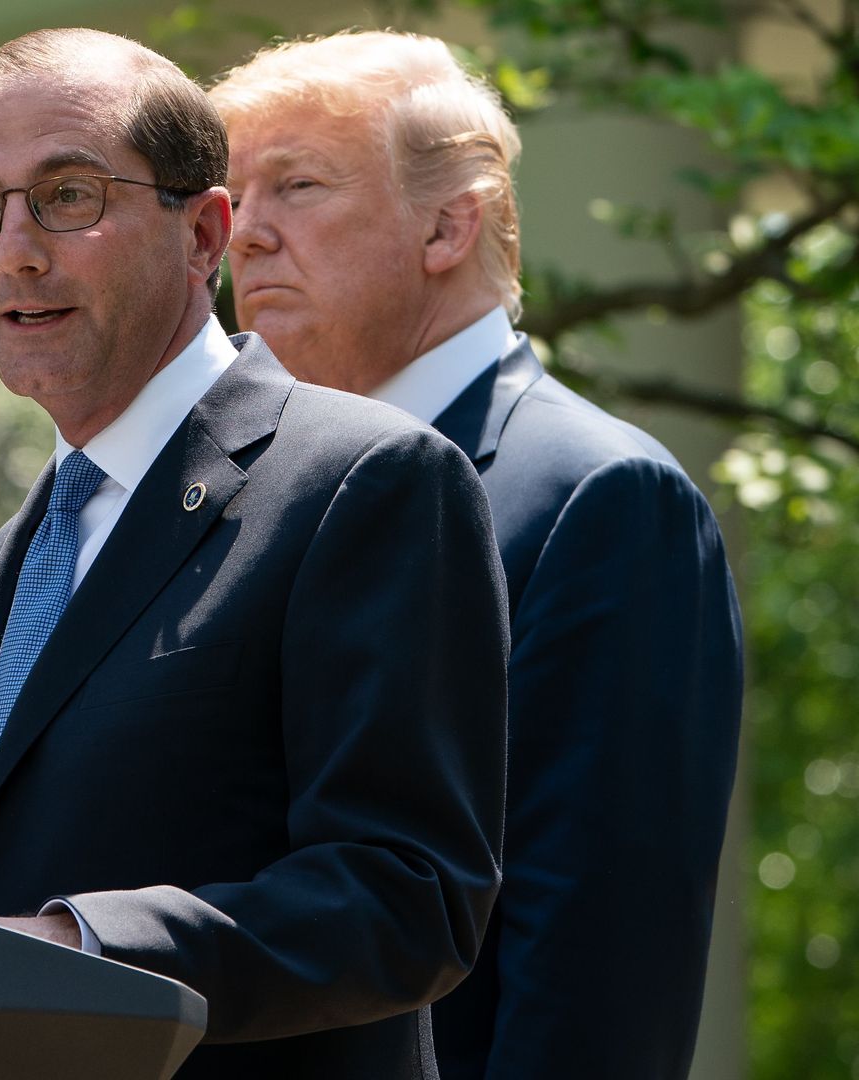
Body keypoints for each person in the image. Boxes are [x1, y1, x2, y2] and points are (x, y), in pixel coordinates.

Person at [0, 28, 510, 1077]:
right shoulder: (4, 565)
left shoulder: (363, 483)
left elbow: (408, 895)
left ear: (203, 235)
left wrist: (86, 949)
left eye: (68, 196)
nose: (15, 250)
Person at [211, 31, 743, 1079]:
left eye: (297, 186)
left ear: (448, 225)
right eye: (234, 199)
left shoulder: (601, 500)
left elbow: (600, 980)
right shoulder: (239, 493)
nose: (246, 235)